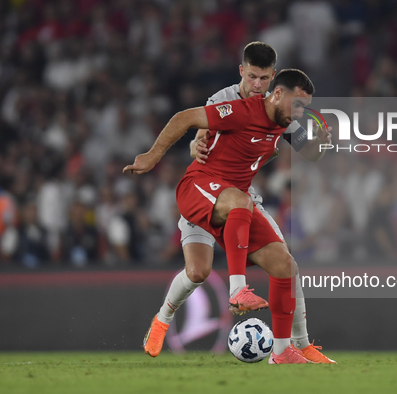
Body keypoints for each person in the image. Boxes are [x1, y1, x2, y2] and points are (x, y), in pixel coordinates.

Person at [124, 68, 332, 364]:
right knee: (204, 262)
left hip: (236, 202)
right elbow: (186, 118)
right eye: (297, 105)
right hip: (200, 190)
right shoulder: (238, 107)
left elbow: (311, 152)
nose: (300, 113)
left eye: (304, 107)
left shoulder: (284, 122)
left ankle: (284, 350)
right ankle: (197, 306)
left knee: (284, 264)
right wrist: (153, 156)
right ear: (277, 93)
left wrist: (322, 142)